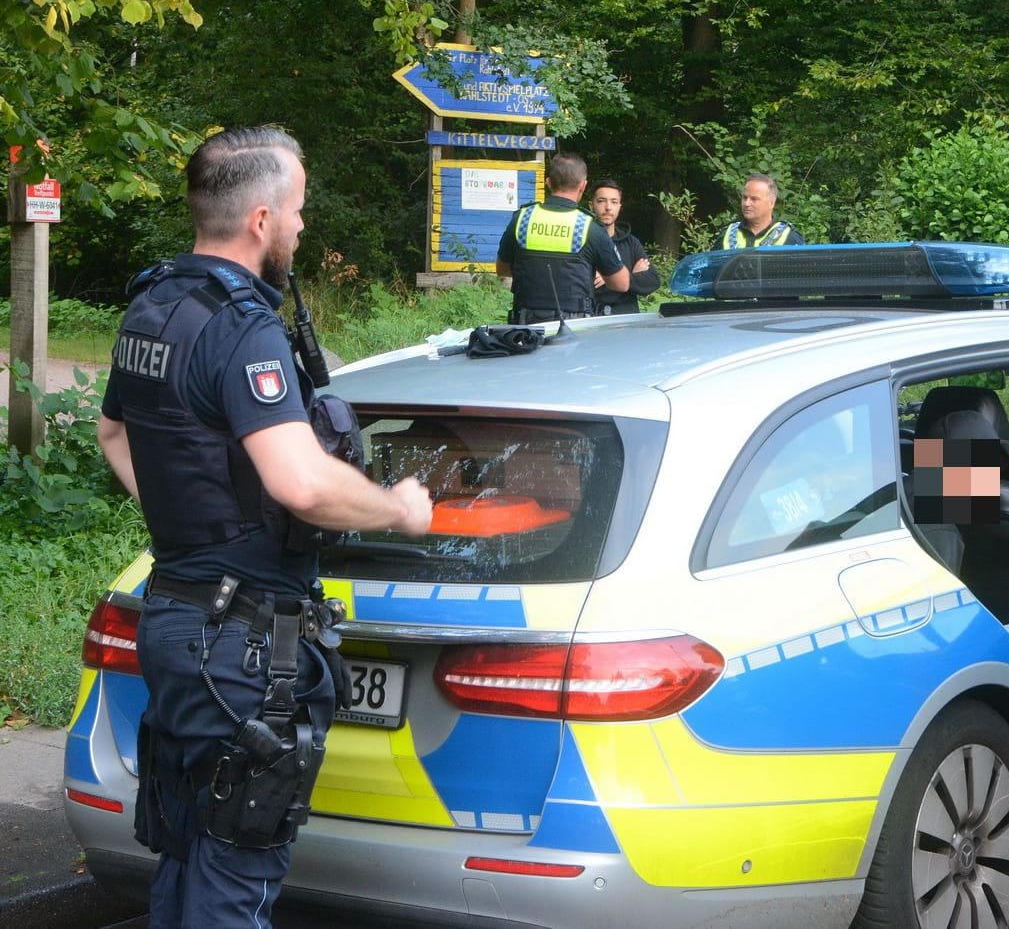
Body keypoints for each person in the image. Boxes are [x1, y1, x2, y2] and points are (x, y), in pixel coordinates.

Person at [96, 126, 435, 927]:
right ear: (259, 219)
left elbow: (114, 433)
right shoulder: (243, 326)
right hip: (242, 650)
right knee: (231, 882)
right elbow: (300, 483)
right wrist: (399, 509)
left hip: (176, 617)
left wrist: (191, 526)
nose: (301, 226)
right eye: (297, 211)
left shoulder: (153, 304)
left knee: (186, 858)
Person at [912, 414, 1009, 728]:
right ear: (966, 470)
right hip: (936, 670)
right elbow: (948, 632)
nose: (998, 478)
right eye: (991, 467)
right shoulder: (941, 535)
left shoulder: (906, 493)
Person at [496, 152, 629, 321]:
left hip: (525, 329)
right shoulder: (589, 226)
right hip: (573, 329)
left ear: (548, 183)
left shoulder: (522, 219)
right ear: (583, 186)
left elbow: (502, 269)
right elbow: (621, 284)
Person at [589, 179, 661, 315]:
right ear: (591, 205)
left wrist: (608, 279)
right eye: (601, 201)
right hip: (593, 319)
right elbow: (583, 287)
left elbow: (652, 281)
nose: (608, 207)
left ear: (620, 206)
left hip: (627, 321)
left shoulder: (631, 242)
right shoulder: (583, 241)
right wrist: (631, 277)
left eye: (614, 202)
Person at [720, 174, 805, 249]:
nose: (746, 203)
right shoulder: (727, 235)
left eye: (754, 199)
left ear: (771, 203)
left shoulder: (790, 237)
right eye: (745, 197)